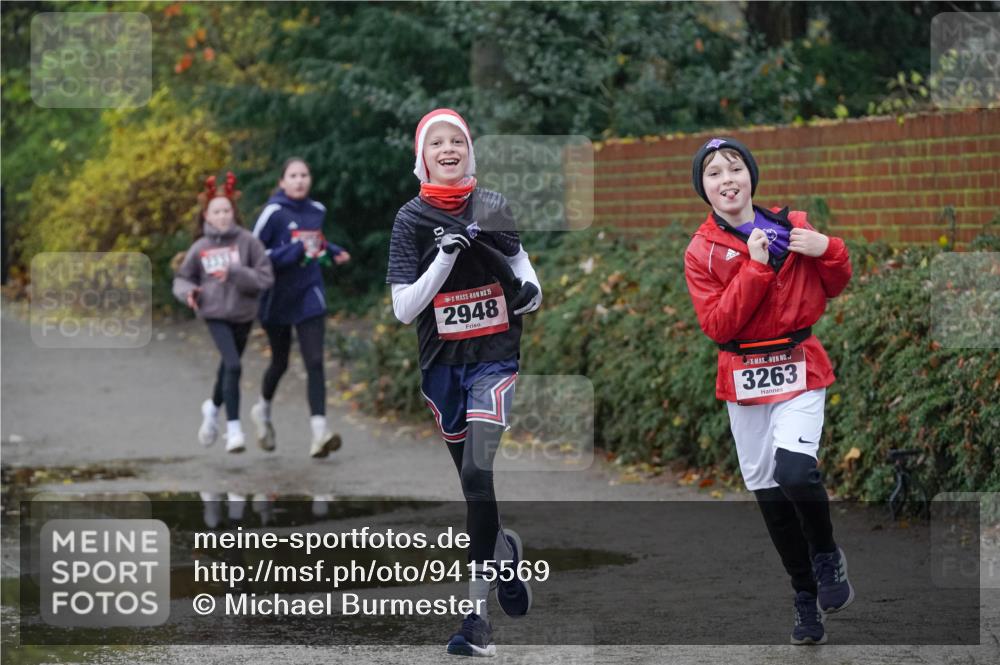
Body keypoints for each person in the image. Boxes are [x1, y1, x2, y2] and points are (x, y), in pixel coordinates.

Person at [683, 137, 855, 645]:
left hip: (800, 367)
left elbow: (835, 281)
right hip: (744, 378)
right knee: (769, 494)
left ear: (751, 177)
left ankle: (826, 557)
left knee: (796, 472)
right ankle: (804, 596)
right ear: (705, 190)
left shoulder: (791, 226)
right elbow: (717, 325)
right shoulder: (701, 251)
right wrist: (755, 268)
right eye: (714, 173)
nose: (726, 179)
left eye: (734, 168)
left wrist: (830, 249)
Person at [386, 108, 543, 657]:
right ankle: (504, 552)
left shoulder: (493, 207)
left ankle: (474, 620)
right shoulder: (410, 220)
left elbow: (529, 281)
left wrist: (528, 294)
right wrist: (443, 263)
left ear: (469, 150)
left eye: (457, 140)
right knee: (474, 487)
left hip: (495, 360)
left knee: (479, 470)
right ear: (421, 157)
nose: (448, 149)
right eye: (437, 143)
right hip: (443, 368)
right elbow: (405, 309)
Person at [249, 158, 351, 458]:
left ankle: (320, 433)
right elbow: (254, 254)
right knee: (280, 362)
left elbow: (315, 244)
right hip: (277, 297)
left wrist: (332, 253)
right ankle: (262, 411)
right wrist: (291, 252)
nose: (299, 180)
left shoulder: (316, 211)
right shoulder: (273, 212)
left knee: (315, 362)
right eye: (292, 175)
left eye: (304, 175)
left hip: (309, 293)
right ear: (282, 181)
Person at [173, 173, 274, 453]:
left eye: (226, 210)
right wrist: (189, 293)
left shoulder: (248, 243)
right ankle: (234, 431)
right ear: (207, 215)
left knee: (226, 369)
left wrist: (235, 272)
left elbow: (266, 279)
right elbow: (182, 279)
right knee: (234, 366)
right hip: (214, 312)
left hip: (243, 314)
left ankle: (211, 411)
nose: (222, 216)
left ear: (234, 213)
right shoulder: (200, 247)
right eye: (216, 211)